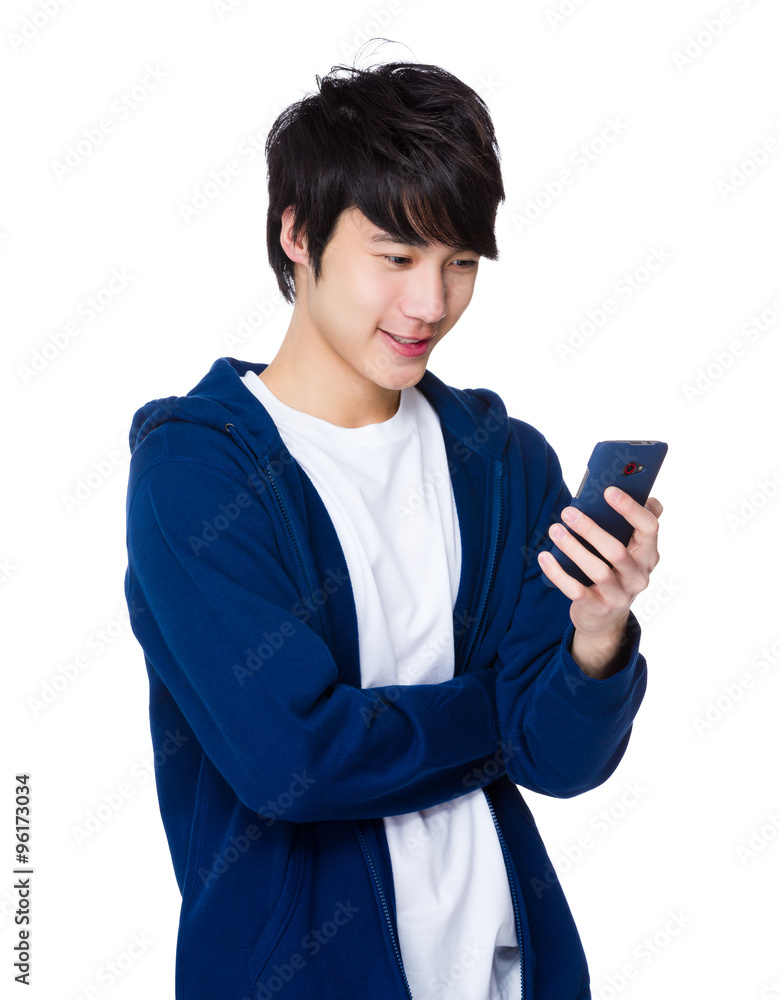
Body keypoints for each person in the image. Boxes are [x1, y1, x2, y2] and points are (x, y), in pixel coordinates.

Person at [123, 52, 663, 1000]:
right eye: (397, 257)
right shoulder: (197, 474)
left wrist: (595, 639)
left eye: (460, 263)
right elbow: (292, 761)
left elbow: (557, 760)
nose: (431, 304)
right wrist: (496, 710)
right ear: (298, 234)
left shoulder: (503, 463)